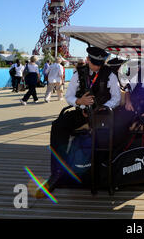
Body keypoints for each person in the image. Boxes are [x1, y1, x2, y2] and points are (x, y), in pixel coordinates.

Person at [36, 47, 121, 197]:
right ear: (88, 60)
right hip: (82, 112)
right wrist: (79, 101)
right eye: (94, 63)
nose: (97, 67)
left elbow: (116, 98)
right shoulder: (78, 74)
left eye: (99, 64)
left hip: (101, 115)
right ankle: (56, 173)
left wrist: (103, 108)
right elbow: (69, 96)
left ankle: (98, 171)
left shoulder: (110, 75)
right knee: (58, 126)